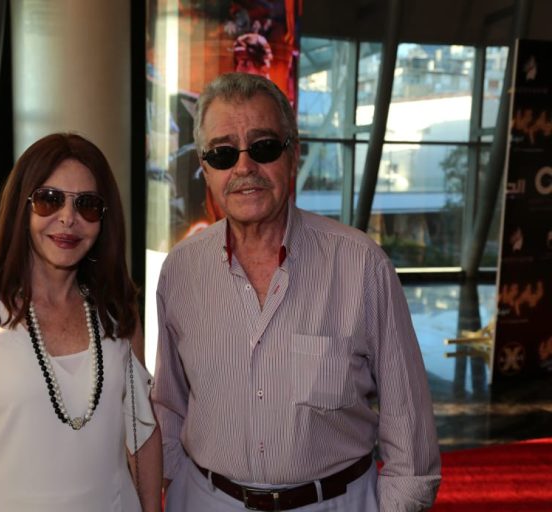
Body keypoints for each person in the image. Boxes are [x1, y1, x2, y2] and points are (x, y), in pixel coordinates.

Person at [152, 73, 441, 511]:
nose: (244, 168)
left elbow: (410, 429)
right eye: (223, 153)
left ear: (294, 155)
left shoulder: (362, 265)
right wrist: (176, 491)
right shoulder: (180, 271)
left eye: (264, 147)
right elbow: (169, 405)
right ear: (206, 169)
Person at [0, 133, 162, 511]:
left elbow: (142, 437)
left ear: (103, 220)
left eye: (87, 205)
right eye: (49, 199)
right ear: (22, 207)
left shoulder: (118, 313)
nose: (68, 218)